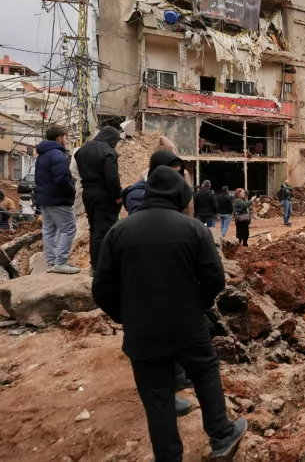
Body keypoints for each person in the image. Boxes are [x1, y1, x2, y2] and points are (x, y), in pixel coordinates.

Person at [92, 166, 247, 461]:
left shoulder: (118, 232)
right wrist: (199, 304)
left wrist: (126, 316)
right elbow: (215, 278)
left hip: (142, 332)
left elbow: (101, 289)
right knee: (205, 372)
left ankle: (167, 456)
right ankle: (221, 435)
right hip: (187, 324)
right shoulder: (194, 230)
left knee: (157, 395)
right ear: (180, 195)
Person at [121, 150, 199, 416]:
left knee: (172, 335)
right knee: (156, 346)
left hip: (169, 279)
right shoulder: (137, 195)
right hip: (146, 282)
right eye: (173, 174)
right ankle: (163, 399)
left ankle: (177, 378)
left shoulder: (172, 195)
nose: (177, 180)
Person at [75, 125, 123, 270]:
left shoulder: (83, 149)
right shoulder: (108, 151)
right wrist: (118, 195)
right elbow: (112, 177)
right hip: (104, 195)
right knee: (104, 230)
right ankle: (101, 267)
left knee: (95, 229)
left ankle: (95, 265)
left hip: (87, 193)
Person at [36, 126, 80, 274]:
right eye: (66, 138)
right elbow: (61, 179)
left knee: (49, 230)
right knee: (69, 228)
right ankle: (60, 262)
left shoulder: (42, 155)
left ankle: (52, 262)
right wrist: (71, 191)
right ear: (59, 138)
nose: (67, 141)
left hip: (45, 199)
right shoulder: (57, 154)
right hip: (58, 199)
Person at [123, 150, 185, 215]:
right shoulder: (137, 194)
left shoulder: (174, 190)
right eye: (171, 174)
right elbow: (141, 219)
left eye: (178, 173)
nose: (176, 178)